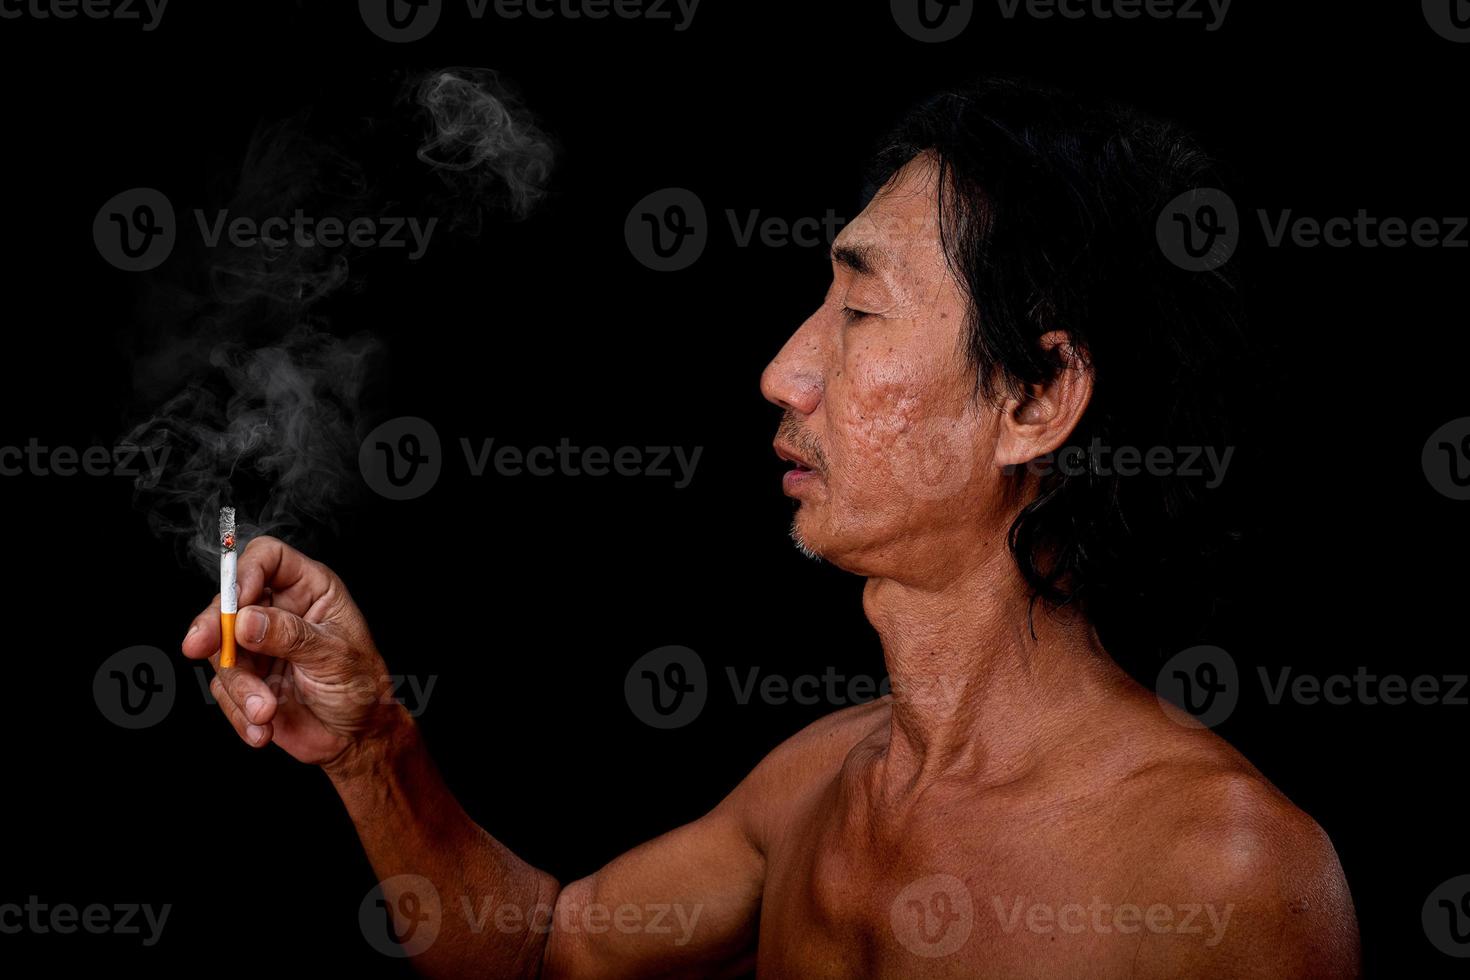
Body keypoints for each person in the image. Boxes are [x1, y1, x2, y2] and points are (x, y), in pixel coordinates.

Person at [182, 78, 1360, 978]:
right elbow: (546, 950)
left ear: (1035, 399)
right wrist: (369, 742)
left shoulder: (1220, 877)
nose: (783, 370)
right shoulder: (815, 783)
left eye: (858, 309)